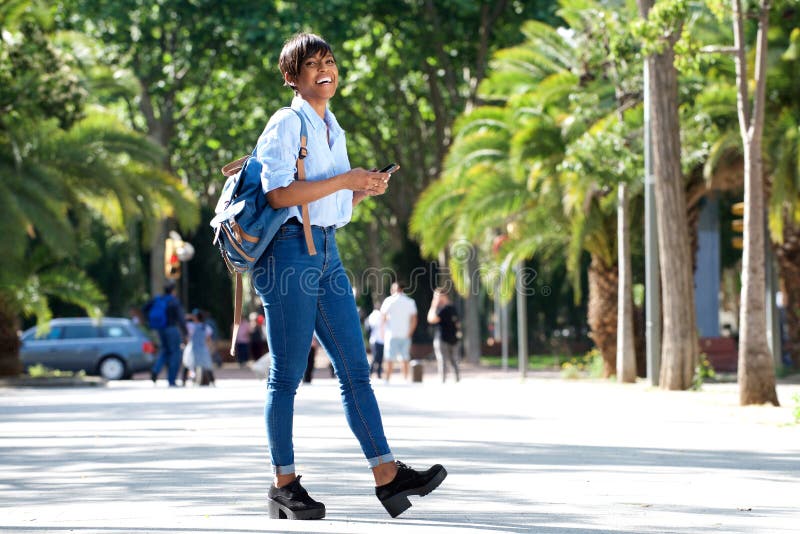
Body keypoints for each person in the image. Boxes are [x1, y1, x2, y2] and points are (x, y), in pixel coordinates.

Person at [250, 32, 446, 520]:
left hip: (327, 252)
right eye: (312, 63)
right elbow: (278, 196)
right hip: (288, 255)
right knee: (287, 376)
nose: (325, 68)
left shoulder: (331, 126)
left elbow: (326, 201)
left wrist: (362, 190)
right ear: (291, 77)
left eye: (330, 60)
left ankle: (387, 475)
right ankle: (284, 483)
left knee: (355, 370)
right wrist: (346, 180)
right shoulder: (286, 122)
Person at [143, 281, 186, 387]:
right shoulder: (174, 301)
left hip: (160, 329)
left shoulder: (158, 299)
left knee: (164, 351)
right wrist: (185, 332)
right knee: (175, 354)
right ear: (173, 290)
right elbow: (181, 318)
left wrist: (148, 321)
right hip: (172, 329)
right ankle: (171, 380)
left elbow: (144, 309)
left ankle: (155, 370)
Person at [380, 282, 418, 382]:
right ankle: (405, 378)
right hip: (405, 334)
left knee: (389, 358)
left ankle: (387, 379)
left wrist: (382, 332)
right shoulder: (410, 301)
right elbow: (414, 319)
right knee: (405, 357)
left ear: (394, 289)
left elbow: (383, 317)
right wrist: (410, 333)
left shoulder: (389, 300)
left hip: (391, 334)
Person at [427, 288, 461, 383]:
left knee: (450, 360)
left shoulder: (444, 309)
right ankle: (445, 379)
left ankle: (452, 379)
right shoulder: (448, 308)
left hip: (449, 338)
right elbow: (430, 319)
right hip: (446, 338)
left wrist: (433, 305)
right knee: (445, 360)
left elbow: (431, 319)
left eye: (437, 296)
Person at [186, 310, 215, 386]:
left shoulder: (190, 326)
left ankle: (190, 379)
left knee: (191, 365)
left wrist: (189, 316)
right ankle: (212, 381)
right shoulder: (206, 327)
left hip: (193, 348)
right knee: (207, 365)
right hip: (203, 349)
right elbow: (209, 339)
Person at [365, 304, 385, 378]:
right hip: (379, 339)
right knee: (378, 357)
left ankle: (374, 372)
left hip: (374, 339)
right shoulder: (377, 315)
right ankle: (373, 372)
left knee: (376, 357)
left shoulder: (371, 315)